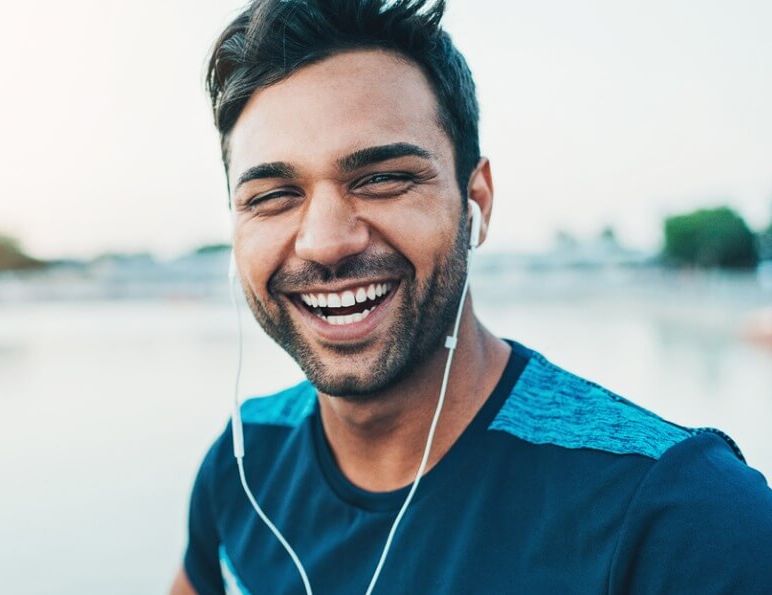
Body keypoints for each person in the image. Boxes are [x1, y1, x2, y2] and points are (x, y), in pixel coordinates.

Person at [169, 1, 772, 593]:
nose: (325, 242)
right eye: (272, 195)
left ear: (476, 201)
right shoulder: (242, 467)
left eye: (382, 178)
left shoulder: (684, 517)